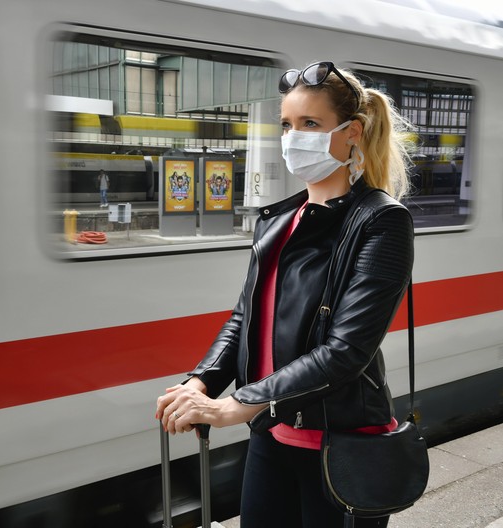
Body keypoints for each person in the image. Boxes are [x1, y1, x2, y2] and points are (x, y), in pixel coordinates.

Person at [155, 61, 415, 528]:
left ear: (351, 132)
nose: (294, 137)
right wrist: (202, 381)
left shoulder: (381, 221)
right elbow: (245, 317)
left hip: (339, 443)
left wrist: (237, 404)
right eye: (287, 125)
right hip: (272, 435)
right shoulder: (280, 218)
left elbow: (346, 351)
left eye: (310, 124)